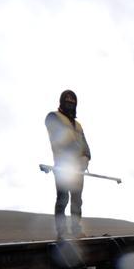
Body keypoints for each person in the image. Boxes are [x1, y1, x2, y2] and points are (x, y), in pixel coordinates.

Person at [45, 90, 91, 240]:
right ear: (61, 100)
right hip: (63, 166)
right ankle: (62, 233)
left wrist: (85, 158)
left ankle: (77, 231)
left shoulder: (78, 125)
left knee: (77, 201)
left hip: (79, 169)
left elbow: (85, 145)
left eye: (73, 99)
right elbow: (61, 138)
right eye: (67, 98)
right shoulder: (53, 117)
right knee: (63, 199)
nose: (70, 101)